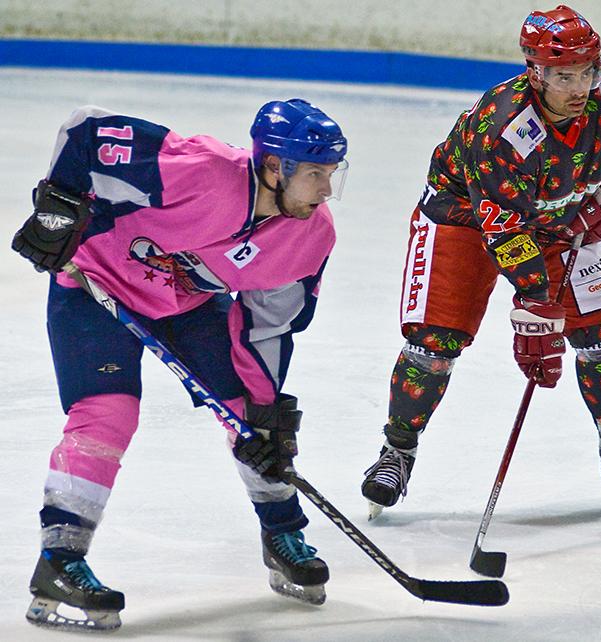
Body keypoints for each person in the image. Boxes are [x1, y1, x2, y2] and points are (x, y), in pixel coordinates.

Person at [12, 98, 349, 630]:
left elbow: (267, 327)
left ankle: (283, 531)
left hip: (186, 305)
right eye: (315, 174)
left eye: (332, 174)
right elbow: (85, 131)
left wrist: (262, 412)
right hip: (96, 285)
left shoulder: (308, 236)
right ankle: (60, 559)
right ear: (273, 166)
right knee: (107, 414)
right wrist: (59, 209)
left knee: (251, 416)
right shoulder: (200, 169)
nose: (327, 191)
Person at [361, 5, 601, 520]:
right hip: (462, 215)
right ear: (536, 72)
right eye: (563, 75)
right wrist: (536, 306)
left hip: (556, 214)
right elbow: (503, 226)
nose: (579, 87)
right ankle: (397, 450)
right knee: (436, 342)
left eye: (588, 72)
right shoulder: (503, 126)